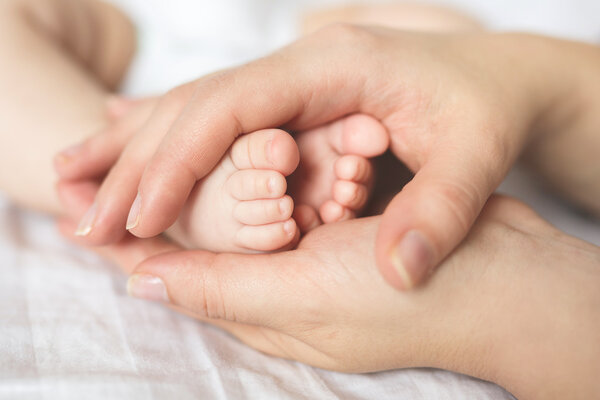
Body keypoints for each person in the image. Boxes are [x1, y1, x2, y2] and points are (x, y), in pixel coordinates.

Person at [0, 0, 598, 399]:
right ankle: (142, 174)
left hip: (319, 51)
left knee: (430, 23)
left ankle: (327, 164)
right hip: (145, 66)